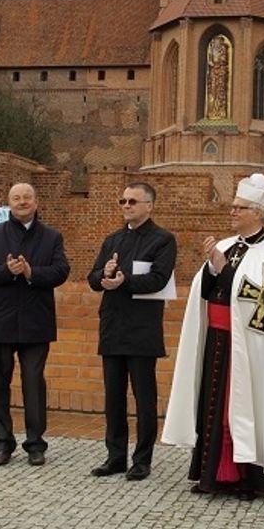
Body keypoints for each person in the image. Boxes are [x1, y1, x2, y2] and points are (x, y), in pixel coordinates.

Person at [162, 173, 264, 500]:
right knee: (214, 406)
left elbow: (263, 302)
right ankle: (211, 476)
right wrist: (215, 269)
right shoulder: (225, 246)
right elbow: (206, 293)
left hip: (251, 346)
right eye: (232, 206)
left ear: (257, 213)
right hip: (217, 338)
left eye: (239, 207)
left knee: (245, 408)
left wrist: (224, 269)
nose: (231, 212)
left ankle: (249, 480)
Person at [86, 182, 177, 482]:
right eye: (123, 201)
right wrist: (106, 276)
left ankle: (142, 459)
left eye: (133, 201)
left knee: (144, 398)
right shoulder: (113, 239)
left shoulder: (163, 240)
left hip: (142, 329)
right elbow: (93, 277)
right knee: (114, 397)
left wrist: (123, 281)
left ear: (149, 205)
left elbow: (159, 280)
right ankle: (115, 457)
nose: (126, 205)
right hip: (112, 326)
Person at [0, 182, 70, 466]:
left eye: (27, 197)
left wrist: (31, 272)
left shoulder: (52, 237)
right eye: (16, 198)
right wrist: (7, 270)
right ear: (9, 203)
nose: (22, 202)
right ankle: (3, 443)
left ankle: (35, 445)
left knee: (33, 384)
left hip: (36, 322)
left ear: (36, 202)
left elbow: (61, 271)